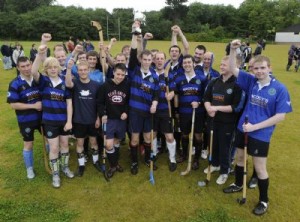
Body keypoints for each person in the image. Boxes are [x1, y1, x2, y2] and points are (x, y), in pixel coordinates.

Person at [223, 39, 292, 216]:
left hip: (261, 133)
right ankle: (238, 184)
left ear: (269, 68)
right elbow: (232, 67)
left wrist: (255, 127)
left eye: (263, 68)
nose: (259, 71)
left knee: (259, 167)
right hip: (243, 128)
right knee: (239, 158)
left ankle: (263, 200)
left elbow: (280, 116)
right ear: (252, 69)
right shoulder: (251, 81)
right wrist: (232, 49)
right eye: (256, 68)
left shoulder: (279, 89)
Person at [31, 33, 74, 188]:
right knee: (54, 148)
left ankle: (65, 167)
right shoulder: (43, 81)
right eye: (50, 67)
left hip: (63, 121)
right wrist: (40, 52)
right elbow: (33, 71)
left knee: (65, 146)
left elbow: (69, 103)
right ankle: (55, 175)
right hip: (49, 121)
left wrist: (69, 121)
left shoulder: (64, 82)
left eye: (56, 67)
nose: (54, 69)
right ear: (46, 69)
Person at [203, 55, 243, 185]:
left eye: (224, 65)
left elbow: (236, 107)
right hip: (213, 120)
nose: (221, 66)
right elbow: (206, 97)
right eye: (221, 64)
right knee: (213, 143)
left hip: (228, 123)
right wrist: (209, 108)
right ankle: (215, 164)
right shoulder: (214, 81)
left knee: (225, 147)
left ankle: (224, 171)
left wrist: (216, 108)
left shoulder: (238, 84)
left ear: (233, 67)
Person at [127, 31, 159, 175]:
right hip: (134, 112)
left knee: (147, 138)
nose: (146, 61)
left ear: (152, 60)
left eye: (149, 59)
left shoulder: (154, 76)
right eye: (144, 59)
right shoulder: (134, 70)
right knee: (134, 139)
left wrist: (155, 104)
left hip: (148, 113)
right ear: (141, 59)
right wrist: (135, 36)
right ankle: (134, 162)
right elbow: (133, 53)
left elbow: (156, 93)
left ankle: (147, 159)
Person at [7, 56, 42, 179]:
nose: (26, 68)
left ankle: (51, 159)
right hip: (26, 120)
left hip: (42, 117)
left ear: (31, 64)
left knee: (49, 139)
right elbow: (13, 104)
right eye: (23, 66)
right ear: (18, 67)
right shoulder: (15, 83)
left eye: (28, 65)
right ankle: (29, 168)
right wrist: (33, 106)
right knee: (28, 144)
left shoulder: (38, 78)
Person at [98, 63, 130, 178]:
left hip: (121, 119)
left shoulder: (126, 86)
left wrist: (126, 112)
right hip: (109, 119)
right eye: (118, 74)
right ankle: (113, 165)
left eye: (123, 74)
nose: (120, 77)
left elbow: (128, 102)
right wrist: (103, 114)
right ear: (113, 73)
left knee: (116, 142)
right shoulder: (105, 85)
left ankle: (115, 163)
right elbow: (100, 102)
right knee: (108, 144)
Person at [174, 54, 205, 170]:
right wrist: (176, 111)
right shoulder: (179, 79)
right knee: (184, 134)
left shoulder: (201, 78)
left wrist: (200, 103)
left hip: (198, 112)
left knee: (198, 136)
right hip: (184, 112)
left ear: (193, 64)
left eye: (189, 62)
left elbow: (206, 96)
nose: (187, 64)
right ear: (182, 65)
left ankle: (196, 158)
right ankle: (184, 155)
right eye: (185, 63)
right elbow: (176, 96)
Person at [152, 51, 177, 172]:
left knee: (169, 136)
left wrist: (171, 94)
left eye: (162, 58)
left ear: (164, 60)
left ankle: (172, 159)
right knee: (153, 133)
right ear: (154, 60)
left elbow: (173, 89)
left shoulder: (169, 75)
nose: (159, 61)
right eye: (157, 59)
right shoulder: (150, 74)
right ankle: (154, 153)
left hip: (165, 110)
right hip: (152, 110)